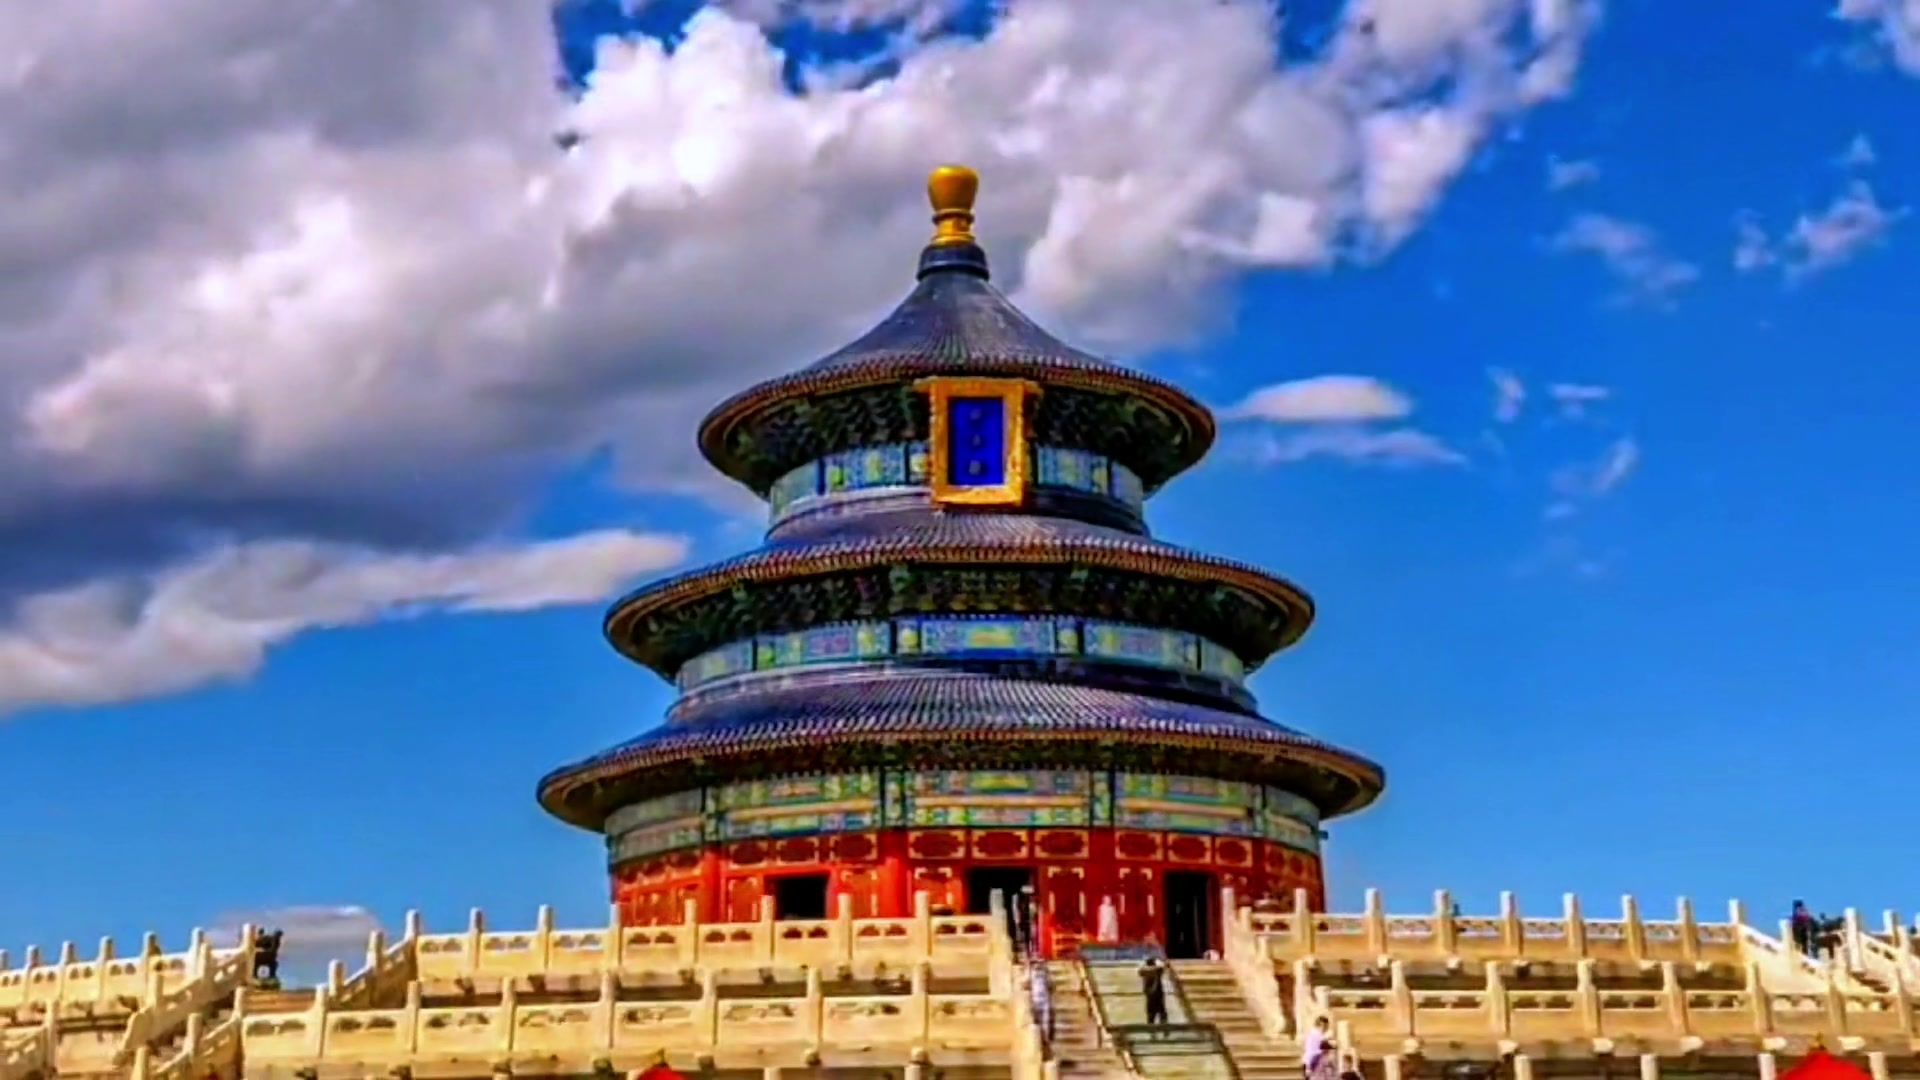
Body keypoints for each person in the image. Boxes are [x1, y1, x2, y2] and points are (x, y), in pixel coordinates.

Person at [1303, 1016, 1338, 1080]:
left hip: (1311, 1062)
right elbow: (1324, 1045)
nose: (1326, 1029)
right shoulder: (1316, 1034)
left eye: (1327, 1027)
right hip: (1313, 1062)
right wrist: (1333, 1044)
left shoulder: (1314, 1033)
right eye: (1326, 1026)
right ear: (1322, 1025)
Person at [1138, 954, 1168, 1025]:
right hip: (1155, 995)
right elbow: (1164, 966)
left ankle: (1156, 1029)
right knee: (1158, 1014)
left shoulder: (1146, 971)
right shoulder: (1157, 970)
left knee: (1153, 1016)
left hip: (1154, 995)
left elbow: (1141, 971)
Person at [1029, 962, 1055, 1044]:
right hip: (1035, 999)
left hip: (1044, 1000)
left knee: (1045, 1021)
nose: (1038, 966)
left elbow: (1052, 986)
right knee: (1037, 1021)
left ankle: (1045, 1038)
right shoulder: (1030, 973)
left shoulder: (1046, 975)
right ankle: (1040, 1039)